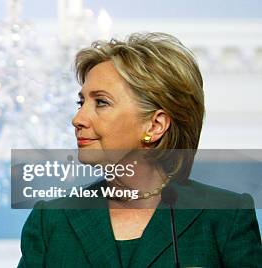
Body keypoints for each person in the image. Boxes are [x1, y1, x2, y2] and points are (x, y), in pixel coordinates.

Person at [18, 33, 261, 267]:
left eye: (101, 102)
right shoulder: (50, 221)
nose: (78, 118)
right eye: (81, 103)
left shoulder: (225, 216)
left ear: (155, 126)